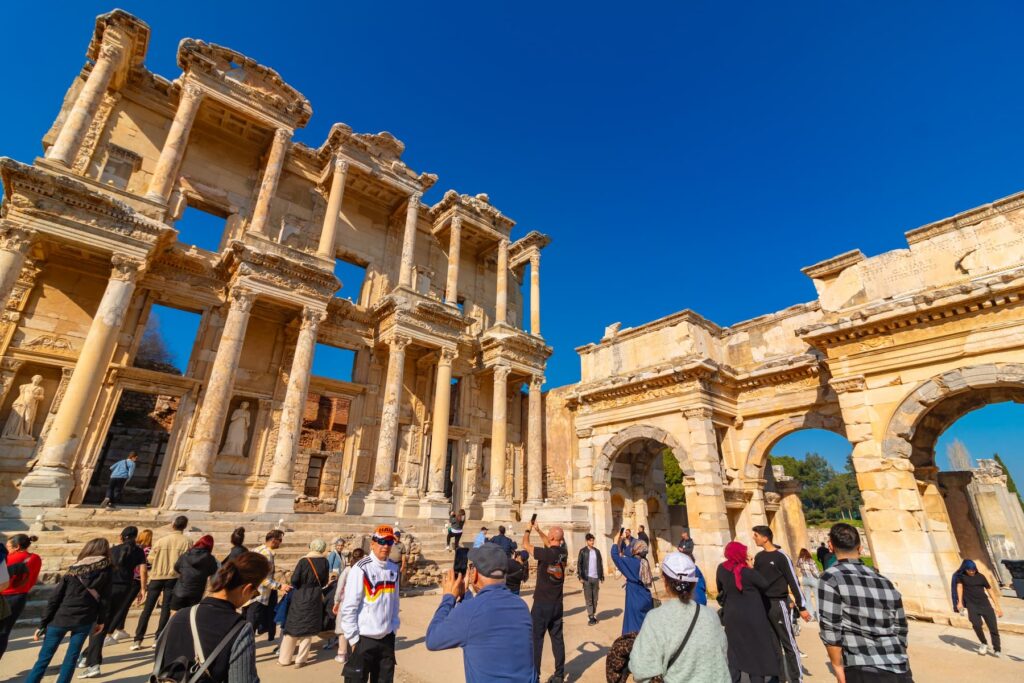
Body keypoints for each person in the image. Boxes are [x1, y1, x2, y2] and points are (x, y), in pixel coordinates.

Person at [425, 543, 534, 682]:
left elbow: (433, 639)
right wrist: (465, 595)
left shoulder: (471, 611)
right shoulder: (520, 605)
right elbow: (486, 614)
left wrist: (448, 598)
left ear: (475, 574)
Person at [818, 523, 911, 682]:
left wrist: (838, 667)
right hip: (900, 666)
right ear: (860, 548)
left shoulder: (831, 578)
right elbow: (901, 626)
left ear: (831, 547)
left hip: (862, 666)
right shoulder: (884, 580)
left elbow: (831, 629)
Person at [155, 552, 267, 683]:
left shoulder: (179, 615)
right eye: (255, 593)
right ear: (246, 589)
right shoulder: (239, 627)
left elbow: (159, 660)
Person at [629, 552, 730, 683]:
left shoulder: (655, 619)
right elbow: (722, 657)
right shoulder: (711, 616)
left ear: (665, 581)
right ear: (693, 584)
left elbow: (641, 669)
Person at [26, 538, 112, 683]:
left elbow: (55, 598)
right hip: (84, 619)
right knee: (71, 658)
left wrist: (43, 624)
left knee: (43, 659)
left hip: (60, 617)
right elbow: (105, 600)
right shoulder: (107, 571)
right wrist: (101, 621)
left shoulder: (73, 569)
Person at [79, 527, 148, 677]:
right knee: (107, 624)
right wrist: (143, 588)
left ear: (122, 537)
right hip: (126, 589)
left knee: (99, 625)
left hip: (110, 588)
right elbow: (143, 570)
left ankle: (93, 663)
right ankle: (87, 655)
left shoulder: (114, 550)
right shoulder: (139, 551)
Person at [340, 524, 401, 682]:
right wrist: (353, 639)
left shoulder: (393, 568)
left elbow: (395, 603)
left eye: (389, 542)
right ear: (372, 543)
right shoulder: (361, 569)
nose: (385, 546)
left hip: (387, 638)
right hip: (364, 638)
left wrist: (393, 627)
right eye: (381, 541)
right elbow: (349, 607)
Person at [752, 525, 809, 683]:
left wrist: (801, 606)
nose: (754, 538)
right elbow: (757, 580)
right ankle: (779, 677)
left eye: (756, 535)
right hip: (764, 604)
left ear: (765, 538)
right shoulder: (759, 557)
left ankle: (796, 678)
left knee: (788, 643)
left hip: (779, 603)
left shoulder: (781, 556)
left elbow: (793, 581)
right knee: (773, 644)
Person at [716, 541, 779, 683]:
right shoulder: (747, 572)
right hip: (752, 616)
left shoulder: (721, 569)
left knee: (734, 651)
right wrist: (751, 566)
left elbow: (720, 587)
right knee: (756, 653)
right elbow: (765, 585)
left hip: (732, 615)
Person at [132, 515, 191, 649]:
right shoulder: (188, 541)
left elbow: (151, 559)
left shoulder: (161, 540)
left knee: (147, 608)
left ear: (173, 525)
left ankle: (138, 639)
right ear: (185, 526)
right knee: (165, 608)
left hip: (157, 576)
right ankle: (158, 638)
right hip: (173, 577)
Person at [522, 521, 566, 683]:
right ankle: (559, 674)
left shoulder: (545, 554)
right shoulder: (563, 553)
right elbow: (550, 543)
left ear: (553, 536)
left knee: (536, 640)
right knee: (557, 639)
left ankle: (535, 676)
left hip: (542, 604)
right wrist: (539, 530)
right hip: (557, 604)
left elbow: (525, 544)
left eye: (549, 533)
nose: (547, 536)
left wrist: (528, 529)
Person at [279, 539, 330, 668]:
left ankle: (284, 659)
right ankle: (301, 660)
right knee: (308, 628)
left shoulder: (303, 560)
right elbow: (324, 581)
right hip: (315, 595)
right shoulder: (325, 561)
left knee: (292, 627)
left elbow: (295, 579)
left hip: (300, 595)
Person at [0, 533, 42, 659]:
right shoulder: (36, 558)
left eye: (9, 547)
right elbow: (33, 578)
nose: (7, 549)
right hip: (20, 597)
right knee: (4, 632)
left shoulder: (10, 559)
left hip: (4, 597)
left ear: (17, 547)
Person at [246, 529, 291, 643]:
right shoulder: (267, 554)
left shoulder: (257, 549)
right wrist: (280, 586)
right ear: (273, 540)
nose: (281, 543)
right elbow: (262, 578)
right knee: (251, 627)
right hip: (259, 596)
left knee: (248, 625)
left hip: (250, 593)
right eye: (280, 540)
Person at [953, 559, 1003, 657]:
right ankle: (983, 643)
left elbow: (990, 590)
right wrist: (959, 602)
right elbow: (959, 588)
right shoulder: (961, 577)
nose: (972, 571)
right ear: (965, 569)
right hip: (972, 606)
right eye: (969, 570)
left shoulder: (981, 577)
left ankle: (997, 649)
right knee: (976, 625)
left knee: (993, 628)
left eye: (973, 569)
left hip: (985, 605)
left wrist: (997, 606)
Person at [610, 529, 655, 634]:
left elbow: (615, 556)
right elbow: (629, 553)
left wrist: (615, 542)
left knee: (632, 626)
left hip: (634, 595)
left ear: (636, 550)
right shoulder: (645, 562)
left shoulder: (632, 563)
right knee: (644, 625)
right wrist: (625, 543)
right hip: (645, 596)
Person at [331, 548, 366, 663]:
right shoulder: (365, 569)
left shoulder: (348, 570)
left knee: (342, 628)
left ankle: (342, 654)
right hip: (362, 602)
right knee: (357, 627)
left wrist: (336, 601)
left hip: (345, 601)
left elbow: (340, 587)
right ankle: (356, 653)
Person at [171, 534, 219, 612]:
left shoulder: (186, 554)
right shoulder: (210, 559)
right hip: (196, 593)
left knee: (174, 617)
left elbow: (176, 568)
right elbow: (213, 571)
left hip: (180, 591)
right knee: (190, 617)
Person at [577, 533, 604, 625]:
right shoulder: (582, 551)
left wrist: (602, 576)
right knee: (588, 598)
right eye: (590, 540)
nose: (592, 542)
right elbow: (579, 564)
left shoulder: (597, 551)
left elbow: (600, 564)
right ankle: (591, 616)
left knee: (595, 598)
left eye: (593, 540)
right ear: (587, 541)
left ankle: (593, 613)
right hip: (587, 578)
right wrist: (580, 576)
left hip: (596, 578)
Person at [797, 548, 821, 621]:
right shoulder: (811, 561)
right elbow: (815, 571)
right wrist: (819, 576)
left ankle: (810, 617)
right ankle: (819, 617)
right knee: (817, 598)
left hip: (805, 579)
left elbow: (798, 566)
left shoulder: (799, 560)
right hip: (813, 579)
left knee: (807, 598)